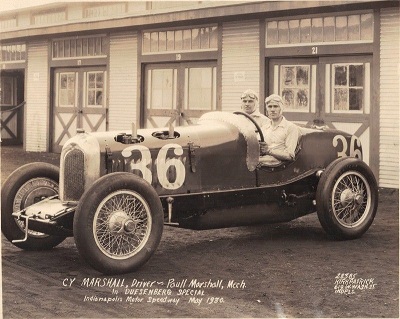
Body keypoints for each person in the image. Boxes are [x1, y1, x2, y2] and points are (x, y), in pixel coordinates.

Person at [259, 94, 300, 166]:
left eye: (275, 106)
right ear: (267, 109)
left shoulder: (291, 128)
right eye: (270, 107)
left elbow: (289, 156)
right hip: (262, 164)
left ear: (281, 109)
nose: (272, 110)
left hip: (278, 166)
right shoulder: (264, 128)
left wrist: (268, 151)